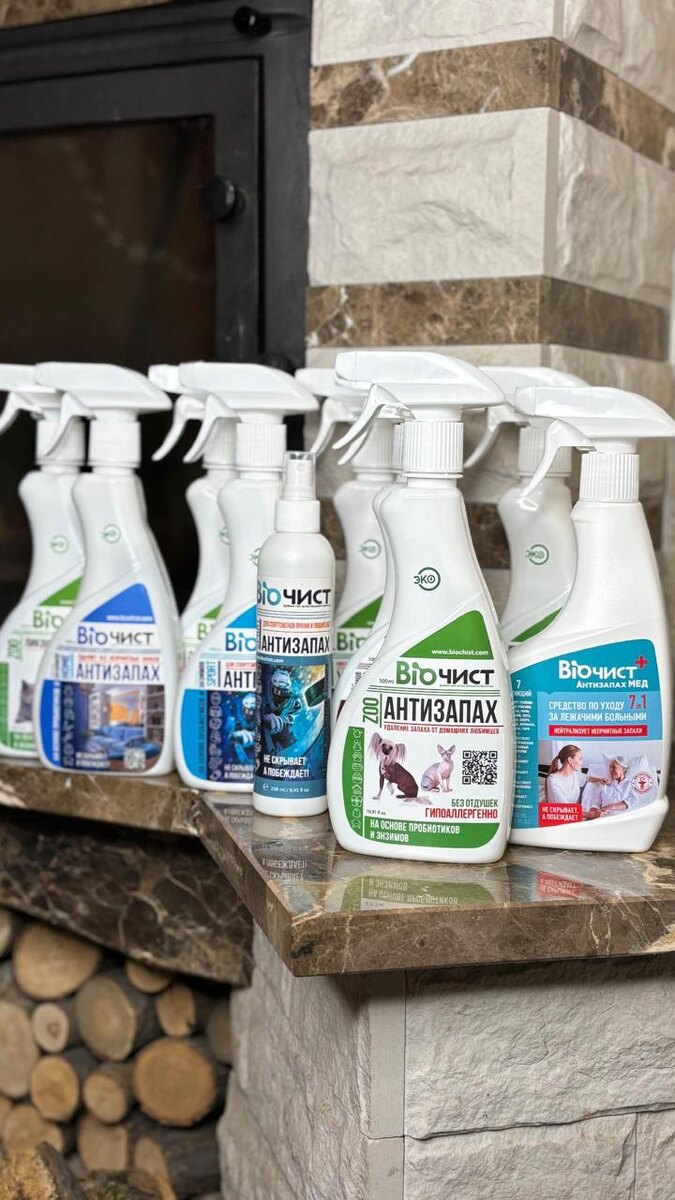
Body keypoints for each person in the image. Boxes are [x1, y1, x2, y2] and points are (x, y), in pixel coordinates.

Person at [546, 744, 606, 814]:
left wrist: (600, 779)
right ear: (570, 760)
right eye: (580, 759)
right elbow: (566, 809)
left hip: (573, 814)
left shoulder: (574, 774)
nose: (582, 763)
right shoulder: (553, 780)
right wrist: (591, 814)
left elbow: (587, 778)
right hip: (560, 815)